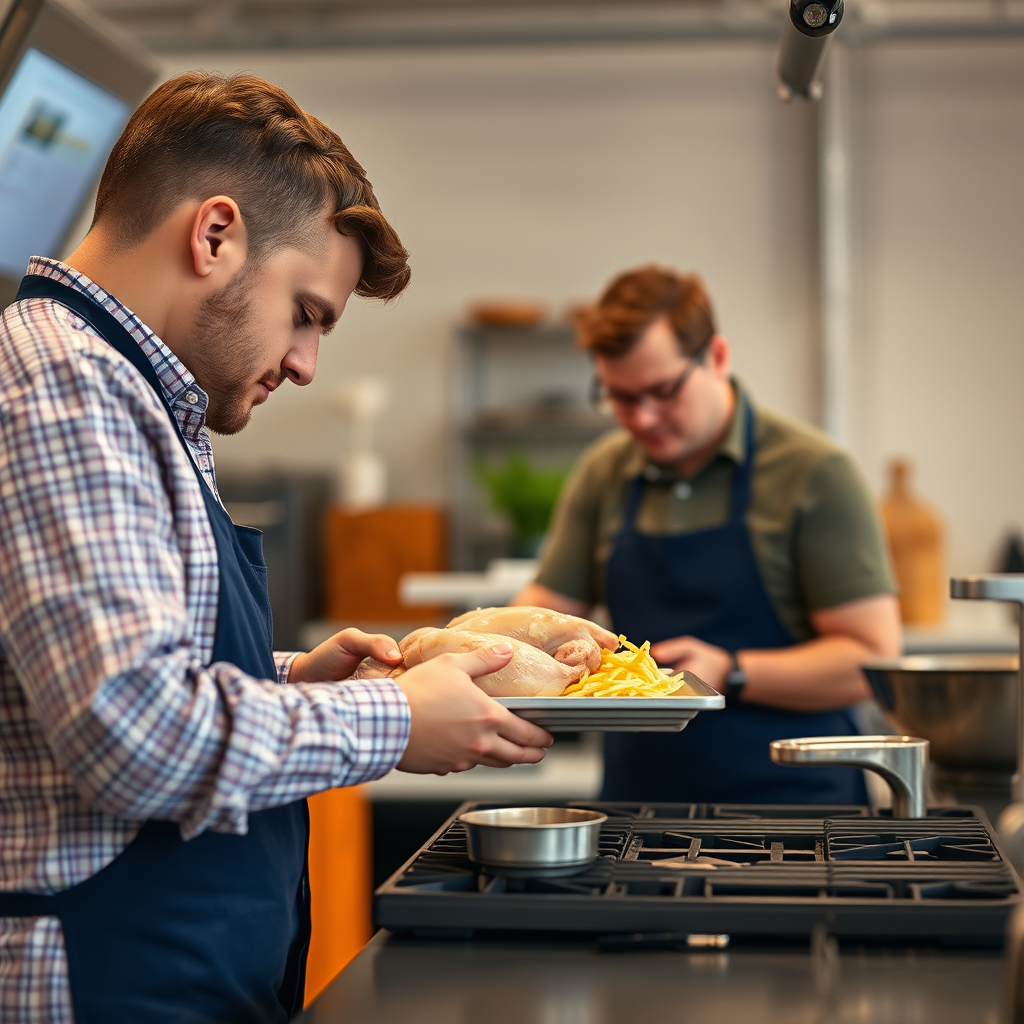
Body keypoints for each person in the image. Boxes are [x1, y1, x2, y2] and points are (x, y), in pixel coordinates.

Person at [0, 72, 551, 1023]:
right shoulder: (66, 386)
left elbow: (118, 674)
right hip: (109, 976)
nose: (304, 363)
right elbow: (132, 732)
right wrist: (390, 718)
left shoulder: (134, 394)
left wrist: (293, 679)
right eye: (306, 312)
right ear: (214, 235)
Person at [512, 265, 900, 806]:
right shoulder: (605, 470)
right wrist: (480, 653)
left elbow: (871, 661)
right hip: (641, 798)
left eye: (662, 391)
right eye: (620, 397)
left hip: (795, 802)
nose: (642, 419)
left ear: (716, 357)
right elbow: (543, 612)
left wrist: (731, 670)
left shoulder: (813, 472)